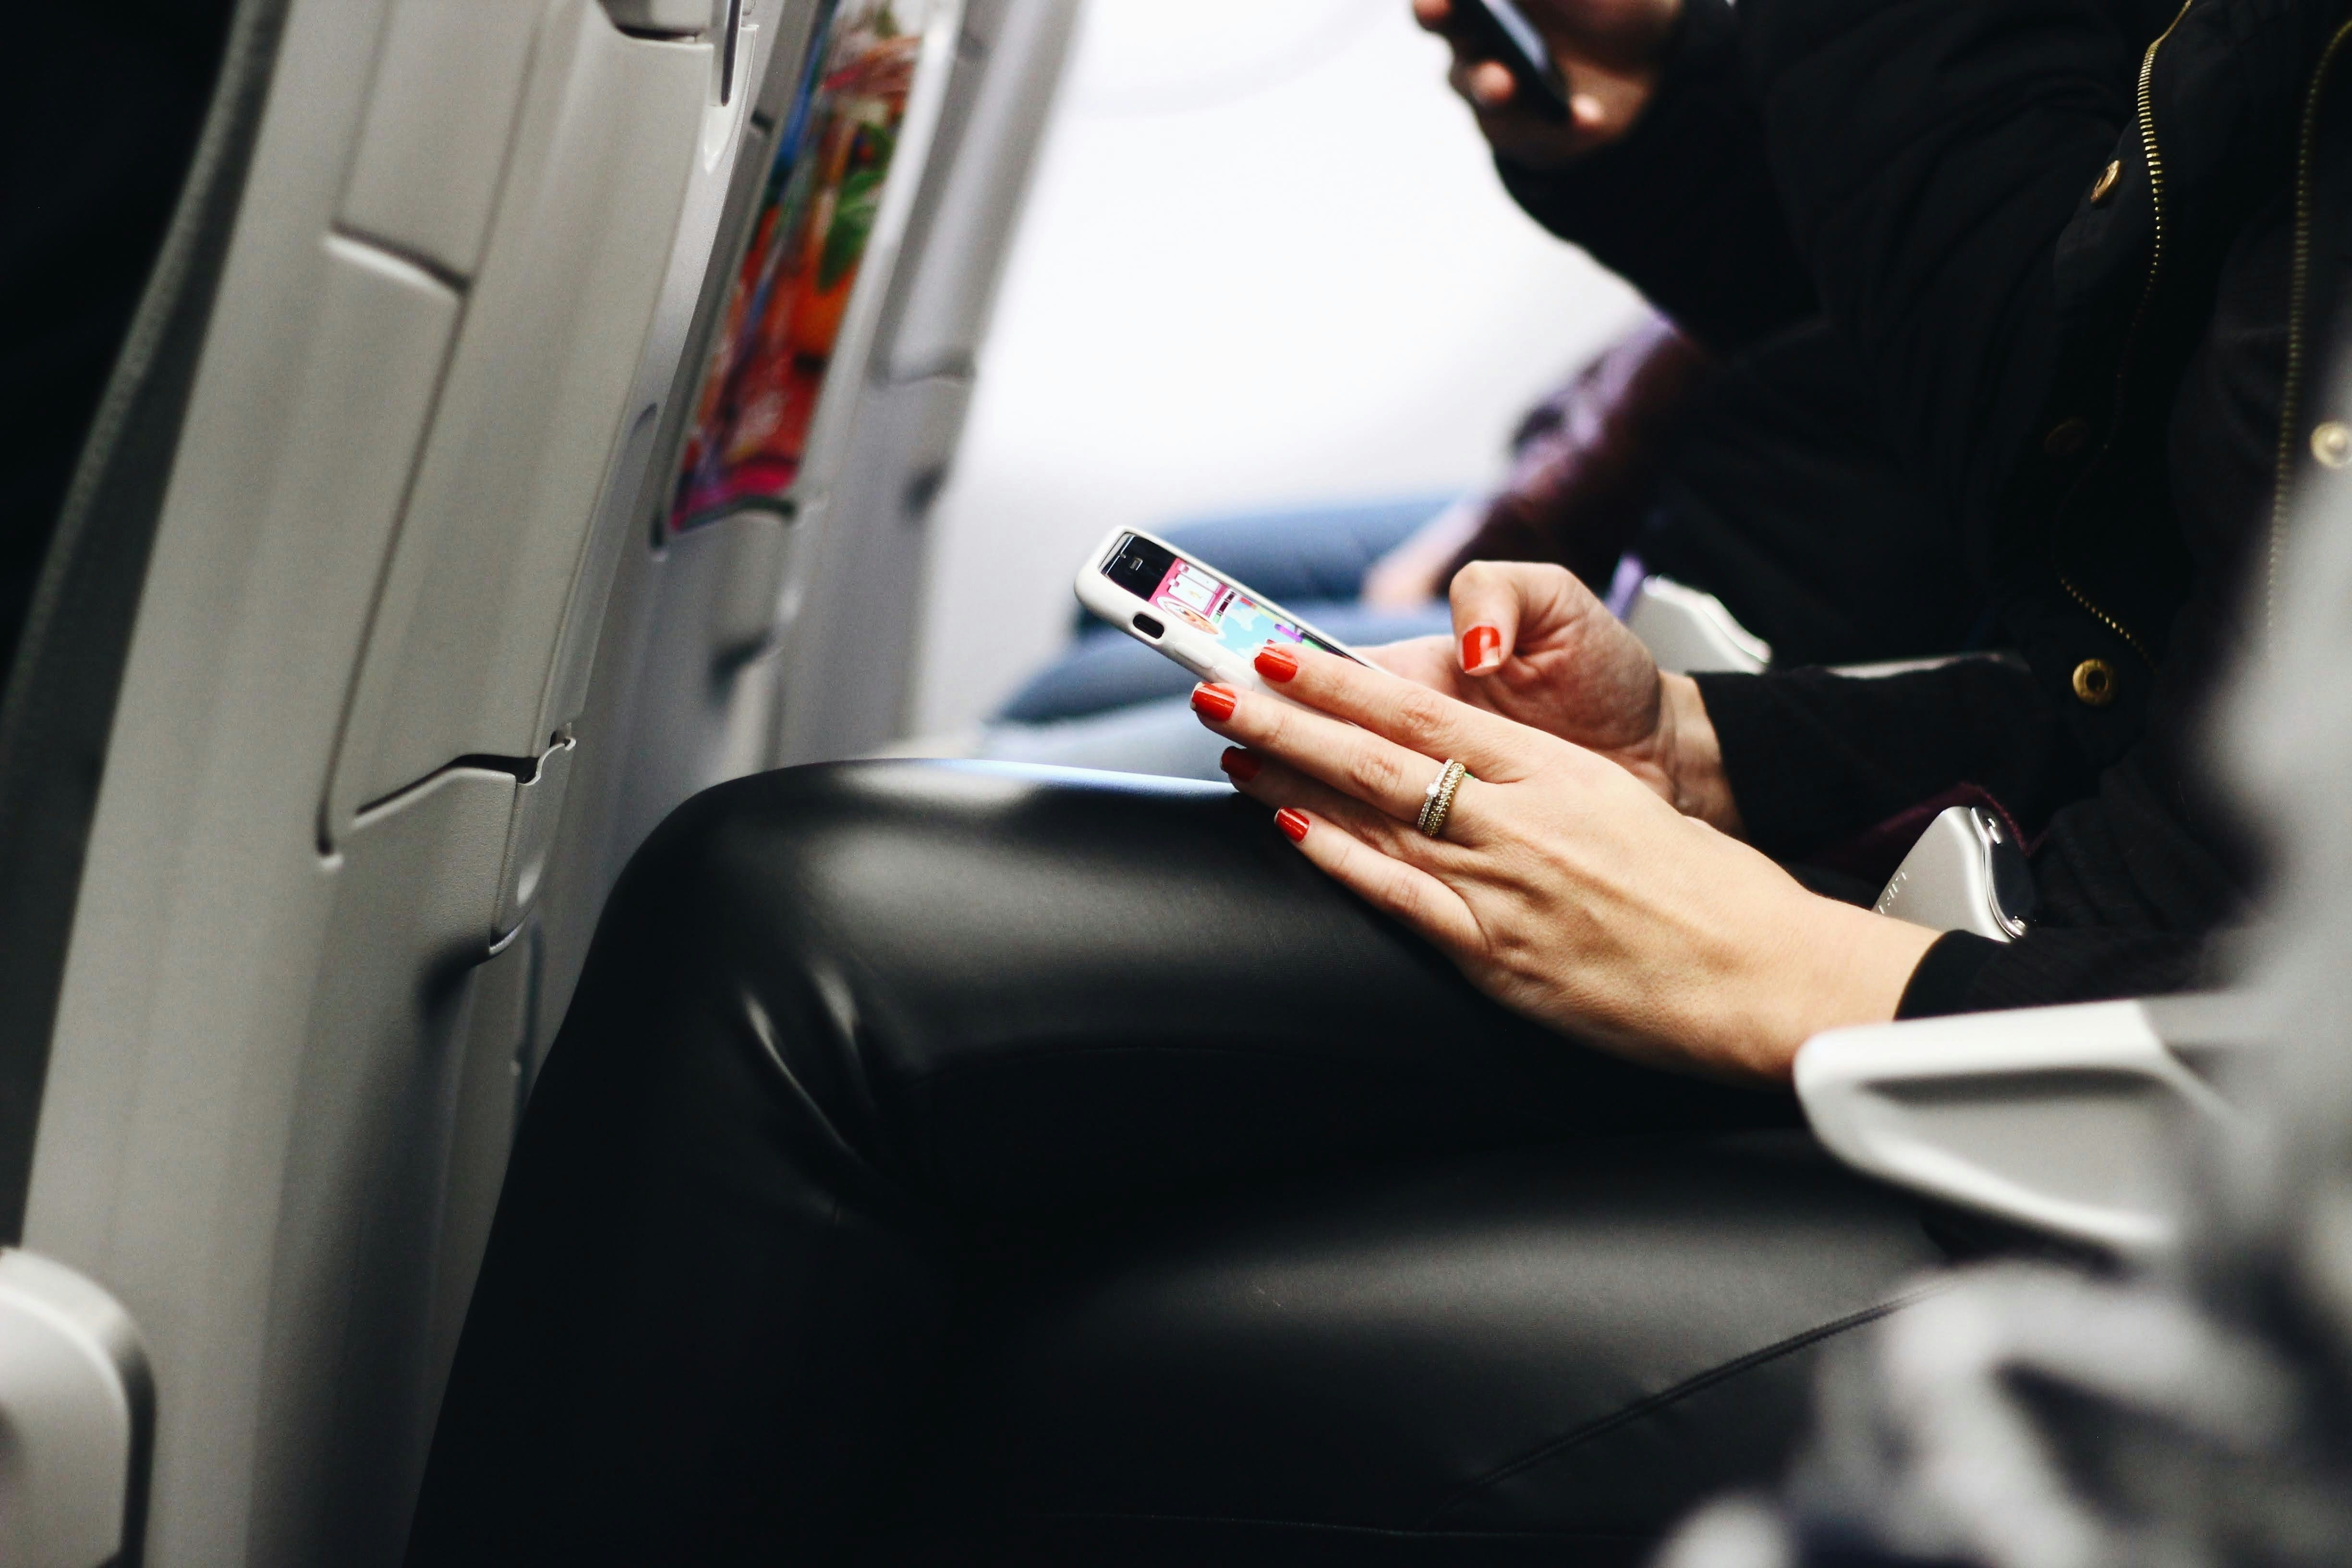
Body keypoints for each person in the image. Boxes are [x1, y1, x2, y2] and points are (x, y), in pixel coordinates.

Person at [407, 0, 2352, 1558]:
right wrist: (1705, 751)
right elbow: (2167, 681)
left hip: (2187, 1181)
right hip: (2057, 971)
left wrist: (1816, 975)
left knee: (1011, 1250)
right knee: (794, 897)